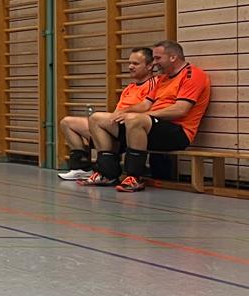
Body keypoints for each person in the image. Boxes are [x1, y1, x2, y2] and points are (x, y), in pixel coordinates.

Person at [88, 40, 211, 192]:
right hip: (151, 124)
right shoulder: (163, 79)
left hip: (178, 131)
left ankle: (134, 177)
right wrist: (123, 112)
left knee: (135, 120)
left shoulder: (192, 75)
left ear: (173, 57)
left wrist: (141, 116)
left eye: (158, 58)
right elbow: (145, 104)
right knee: (97, 119)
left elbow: (180, 109)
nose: (155, 63)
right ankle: (107, 173)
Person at [57, 47, 157, 181]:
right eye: (129, 63)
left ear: (149, 66)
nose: (130, 67)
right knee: (67, 122)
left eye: (135, 63)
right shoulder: (130, 88)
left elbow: (148, 108)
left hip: (131, 128)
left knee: (97, 117)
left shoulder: (155, 84)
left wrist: (123, 113)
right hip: (116, 125)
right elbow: (117, 112)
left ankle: (107, 171)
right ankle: (82, 168)